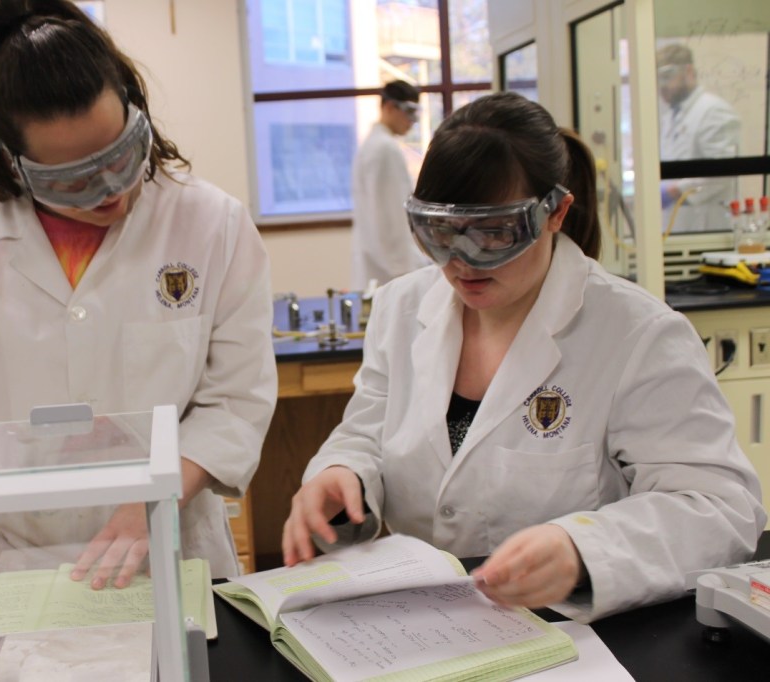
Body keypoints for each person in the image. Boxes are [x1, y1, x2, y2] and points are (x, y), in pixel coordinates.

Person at [282, 91, 765, 622]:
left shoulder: (638, 335)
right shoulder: (402, 308)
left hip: (576, 639)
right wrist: (342, 472)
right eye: (439, 233)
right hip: (422, 628)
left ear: (555, 213)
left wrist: (584, 550)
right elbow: (367, 433)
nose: (462, 262)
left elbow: (722, 510)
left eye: (493, 233)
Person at [0, 0, 276, 587]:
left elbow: (235, 398)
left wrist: (154, 496)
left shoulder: (212, 224)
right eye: (72, 179)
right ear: (10, 162)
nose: (111, 190)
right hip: (4, 563)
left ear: (134, 106)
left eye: (123, 153)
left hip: (169, 550)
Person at [350, 80, 429, 292]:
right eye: (408, 112)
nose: (412, 121)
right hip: (391, 274)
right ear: (389, 107)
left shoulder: (371, 145)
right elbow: (391, 222)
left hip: (377, 269)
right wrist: (410, 273)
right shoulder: (385, 150)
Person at [656, 43, 741, 234]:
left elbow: (722, 172)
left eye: (668, 76)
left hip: (708, 227)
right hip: (678, 224)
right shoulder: (672, 115)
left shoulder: (714, 111)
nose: (662, 86)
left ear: (689, 71)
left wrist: (674, 190)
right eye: (658, 79)